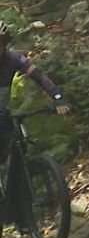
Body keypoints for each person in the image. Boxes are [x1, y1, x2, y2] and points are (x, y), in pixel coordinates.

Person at [0, 21, 72, 192]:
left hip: (3, 113)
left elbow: (39, 76)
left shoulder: (14, 58)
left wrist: (58, 97)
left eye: (1, 42)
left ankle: (19, 192)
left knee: (19, 142)